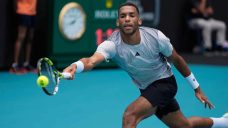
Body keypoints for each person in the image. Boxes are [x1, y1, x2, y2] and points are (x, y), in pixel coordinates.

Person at [64, 2, 228, 128]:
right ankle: (223, 122)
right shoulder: (112, 44)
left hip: (165, 83)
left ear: (139, 20)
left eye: (131, 15)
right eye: (123, 16)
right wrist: (76, 66)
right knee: (184, 125)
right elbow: (91, 61)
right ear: (118, 22)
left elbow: (177, 59)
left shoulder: (156, 37)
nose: (127, 19)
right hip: (147, 89)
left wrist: (196, 88)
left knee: (130, 116)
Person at [9, 0, 37, 74]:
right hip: (23, 11)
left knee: (30, 38)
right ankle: (15, 65)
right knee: (21, 37)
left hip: (33, 12)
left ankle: (26, 64)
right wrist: (17, 9)